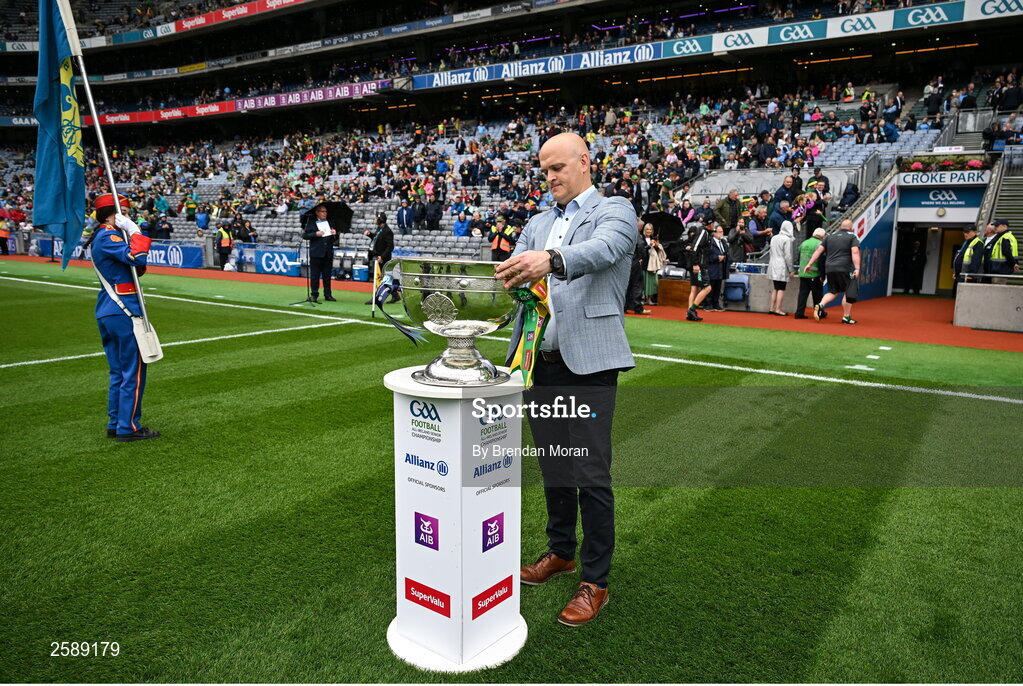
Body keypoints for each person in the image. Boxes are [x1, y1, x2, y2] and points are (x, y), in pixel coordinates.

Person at [494, 132, 635, 627]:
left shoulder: (615, 210)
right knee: (555, 467)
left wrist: (550, 261)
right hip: (538, 362)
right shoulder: (535, 222)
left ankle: (595, 580)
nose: (551, 176)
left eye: (558, 167)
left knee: (591, 474)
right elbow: (516, 283)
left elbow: (604, 250)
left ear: (584, 163)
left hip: (591, 363)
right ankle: (561, 553)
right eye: (544, 169)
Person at [90, 193, 159, 442]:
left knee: (119, 372)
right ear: (113, 215)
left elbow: (134, 269)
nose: (128, 217)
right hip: (123, 310)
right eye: (125, 213)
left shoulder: (103, 237)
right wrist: (135, 231)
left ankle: (116, 422)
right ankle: (128, 426)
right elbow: (136, 258)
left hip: (110, 309)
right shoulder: (109, 235)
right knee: (133, 371)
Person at [803, 219, 861, 324]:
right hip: (844, 267)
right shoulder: (852, 236)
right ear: (851, 228)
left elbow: (819, 250)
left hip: (829, 268)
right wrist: (857, 268)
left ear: (840, 226)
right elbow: (855, 251)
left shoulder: (829, 236)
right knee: (848, 292)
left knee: (833, 291)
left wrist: (809, 264)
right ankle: (846, 317)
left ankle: (820, 305)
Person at [301, 202, 340, 302]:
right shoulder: (311, 222)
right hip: (316, 252)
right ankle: (314, 294)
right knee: (315, 276)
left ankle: (328, 294)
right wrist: (315, 234)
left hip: (327, 253)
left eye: (325, 211)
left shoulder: (330, 222)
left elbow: (335, 239)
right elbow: (305, 235)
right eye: (322, 211)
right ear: (317, 212)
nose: (324, 213)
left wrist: (335, 234)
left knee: (327, 276)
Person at [363, 212, 395, 305]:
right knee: (384, 278)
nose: (375, 219)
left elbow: (390, 246)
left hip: (382, 258)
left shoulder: (387, 231)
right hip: (377, 256)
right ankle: (395, 296)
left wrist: (382, 256)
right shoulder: (379, 229)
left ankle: (376, 297)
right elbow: (377, 239)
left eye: (376, 218)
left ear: (380, 220)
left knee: (380, 278)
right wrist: (370, 234)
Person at [685, 221, 713, 321]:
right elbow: (695, 248)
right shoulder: (703, 232)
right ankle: (692, 310)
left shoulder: (704, 232)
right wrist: (696, 264)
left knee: (694, 288)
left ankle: (689, 313)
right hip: (699, 267)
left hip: (695, 265)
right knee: (707, 288)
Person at [768, 220, 796, 315]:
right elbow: (788, 256)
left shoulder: (774, 238)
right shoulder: (787, 240)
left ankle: (772, 308)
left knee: (775, 287)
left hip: (773, 263)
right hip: (782, 265)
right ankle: (778, 309)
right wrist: (791, 269)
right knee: (781, 288)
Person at [952, 226, 985, 295]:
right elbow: (960, 258)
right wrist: (956, 273)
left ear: (975, 232)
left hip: (968, 276)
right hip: (961, 274)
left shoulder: (978, 243)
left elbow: (976, 260)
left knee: (965, 296)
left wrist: (971, 274)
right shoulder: (966, 242)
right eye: (964, 232)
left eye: (968, 232)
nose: (965, 234)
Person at [987, 218, 1019, 283]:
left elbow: (1007, 252)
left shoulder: (1005, 237)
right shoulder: (1004, 236)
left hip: (1000, 269)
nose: (995, 228)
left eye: (997, 226)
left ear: (1004, 226)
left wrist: (1013, 263)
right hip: (1000, 268)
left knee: (997, 288)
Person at [707, 224, 730, 311]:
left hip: (721, 268)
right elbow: (706, 256)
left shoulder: (723, 242)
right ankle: (708, 304)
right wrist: (716, 258)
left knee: (718, 287)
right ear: (714, 233)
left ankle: (715, 304)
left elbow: (727, 253)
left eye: (722, 232)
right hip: (712, 268)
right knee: (711, 287)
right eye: (720, 232)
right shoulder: (710, 243)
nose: (722, 233)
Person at [643, 223, 666, 306]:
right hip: (644, 262)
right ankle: (642, 298)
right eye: (647, 229)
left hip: (652, 263)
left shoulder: (655, 239)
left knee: (652, 282)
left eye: (650, 229)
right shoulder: (641, 238)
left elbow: (659, 251)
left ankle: (649, 299)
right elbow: (641, 249)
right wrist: (648, 246)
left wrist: (657, 245)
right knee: (643, 281)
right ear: (644, 230)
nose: (649, 231)